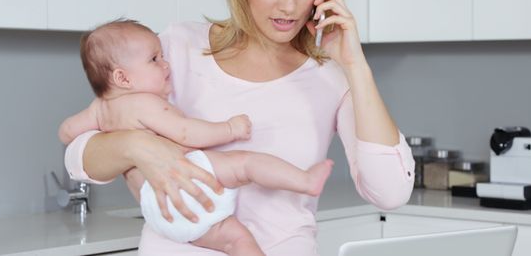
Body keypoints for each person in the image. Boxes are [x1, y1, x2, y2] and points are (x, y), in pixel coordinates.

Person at [63, 0, 415, 255]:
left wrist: (355, 65)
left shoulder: (332, 76)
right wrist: (137, 146)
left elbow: (390, 192)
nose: (289, 5)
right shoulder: (176, 50)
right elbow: (79, 158)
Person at [59, 19, 334, 255]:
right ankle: (304, 180)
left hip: (164, 216)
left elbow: (68, 133)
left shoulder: (99, 108)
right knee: (244, 165)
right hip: (190, 180)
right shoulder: (146, 103)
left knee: (231, 238)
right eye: (155, 60)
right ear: (123, 78)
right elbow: (186, 133)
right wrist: (229, 128)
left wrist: (111, 134)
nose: (165, 64)